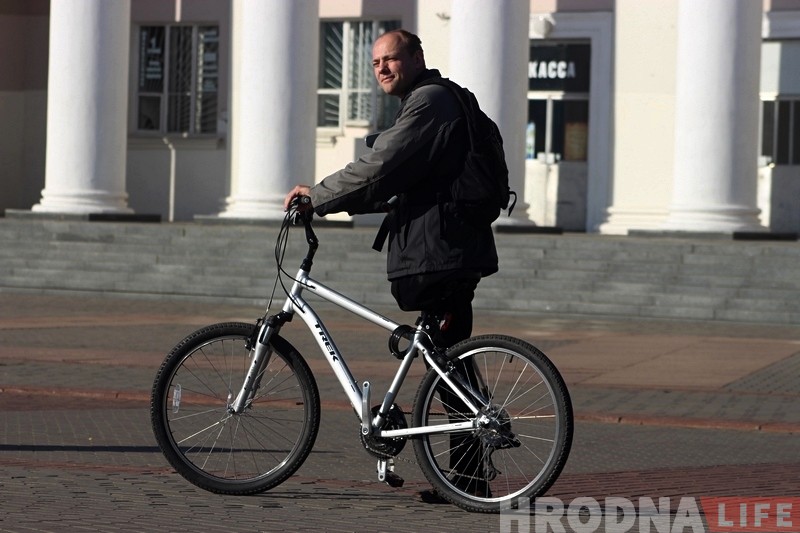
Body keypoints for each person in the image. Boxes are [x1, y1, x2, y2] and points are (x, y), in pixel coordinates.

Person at [283, 29, 497, 499]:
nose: (382, 68)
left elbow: (381, 165)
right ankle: (467, 480)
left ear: (416, 57)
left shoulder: (429, 102)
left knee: (448, 367)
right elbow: (393, 184)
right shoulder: (435, 101)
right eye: (376, 62)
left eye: (391, 59)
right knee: (448, 367)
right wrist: (333, 203)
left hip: (440, 251)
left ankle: (469, 474)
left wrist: (317, 196)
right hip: (450, 247)